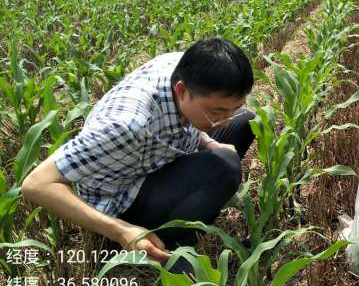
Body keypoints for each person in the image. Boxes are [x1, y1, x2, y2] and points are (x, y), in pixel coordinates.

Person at [22, 37, 256, 271]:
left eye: (230, 109)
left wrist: (208, 142)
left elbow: (199, 122)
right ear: (182, 90)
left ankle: (195, 202)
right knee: (225, 167)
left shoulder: (181, 66)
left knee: (246, 122)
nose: (224, 120)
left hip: (156, 158)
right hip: (123, 195)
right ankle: (171, 244)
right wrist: (122, 231)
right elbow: (36, 184)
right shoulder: (125, 125)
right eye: (217, 111)